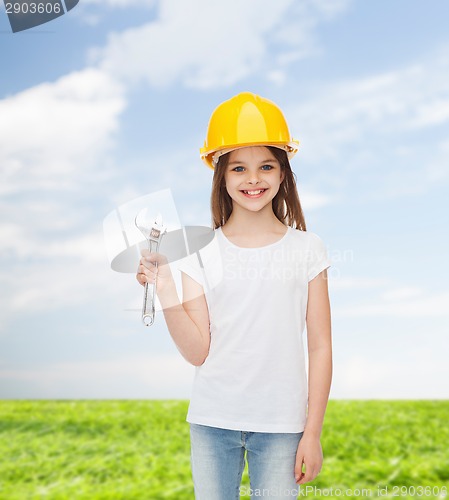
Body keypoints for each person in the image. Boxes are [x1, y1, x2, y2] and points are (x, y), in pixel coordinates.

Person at [136, 92, 332, 499]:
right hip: (212, 421)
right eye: (239, 168)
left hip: (283, 425)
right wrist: (166, 286)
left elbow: (320, 346)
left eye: (266, 166)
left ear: (283, 174)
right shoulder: (202, 252)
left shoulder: (307, 249)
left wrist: (312, 432)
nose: (253, 178)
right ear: (221, 176)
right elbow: (197, 351)